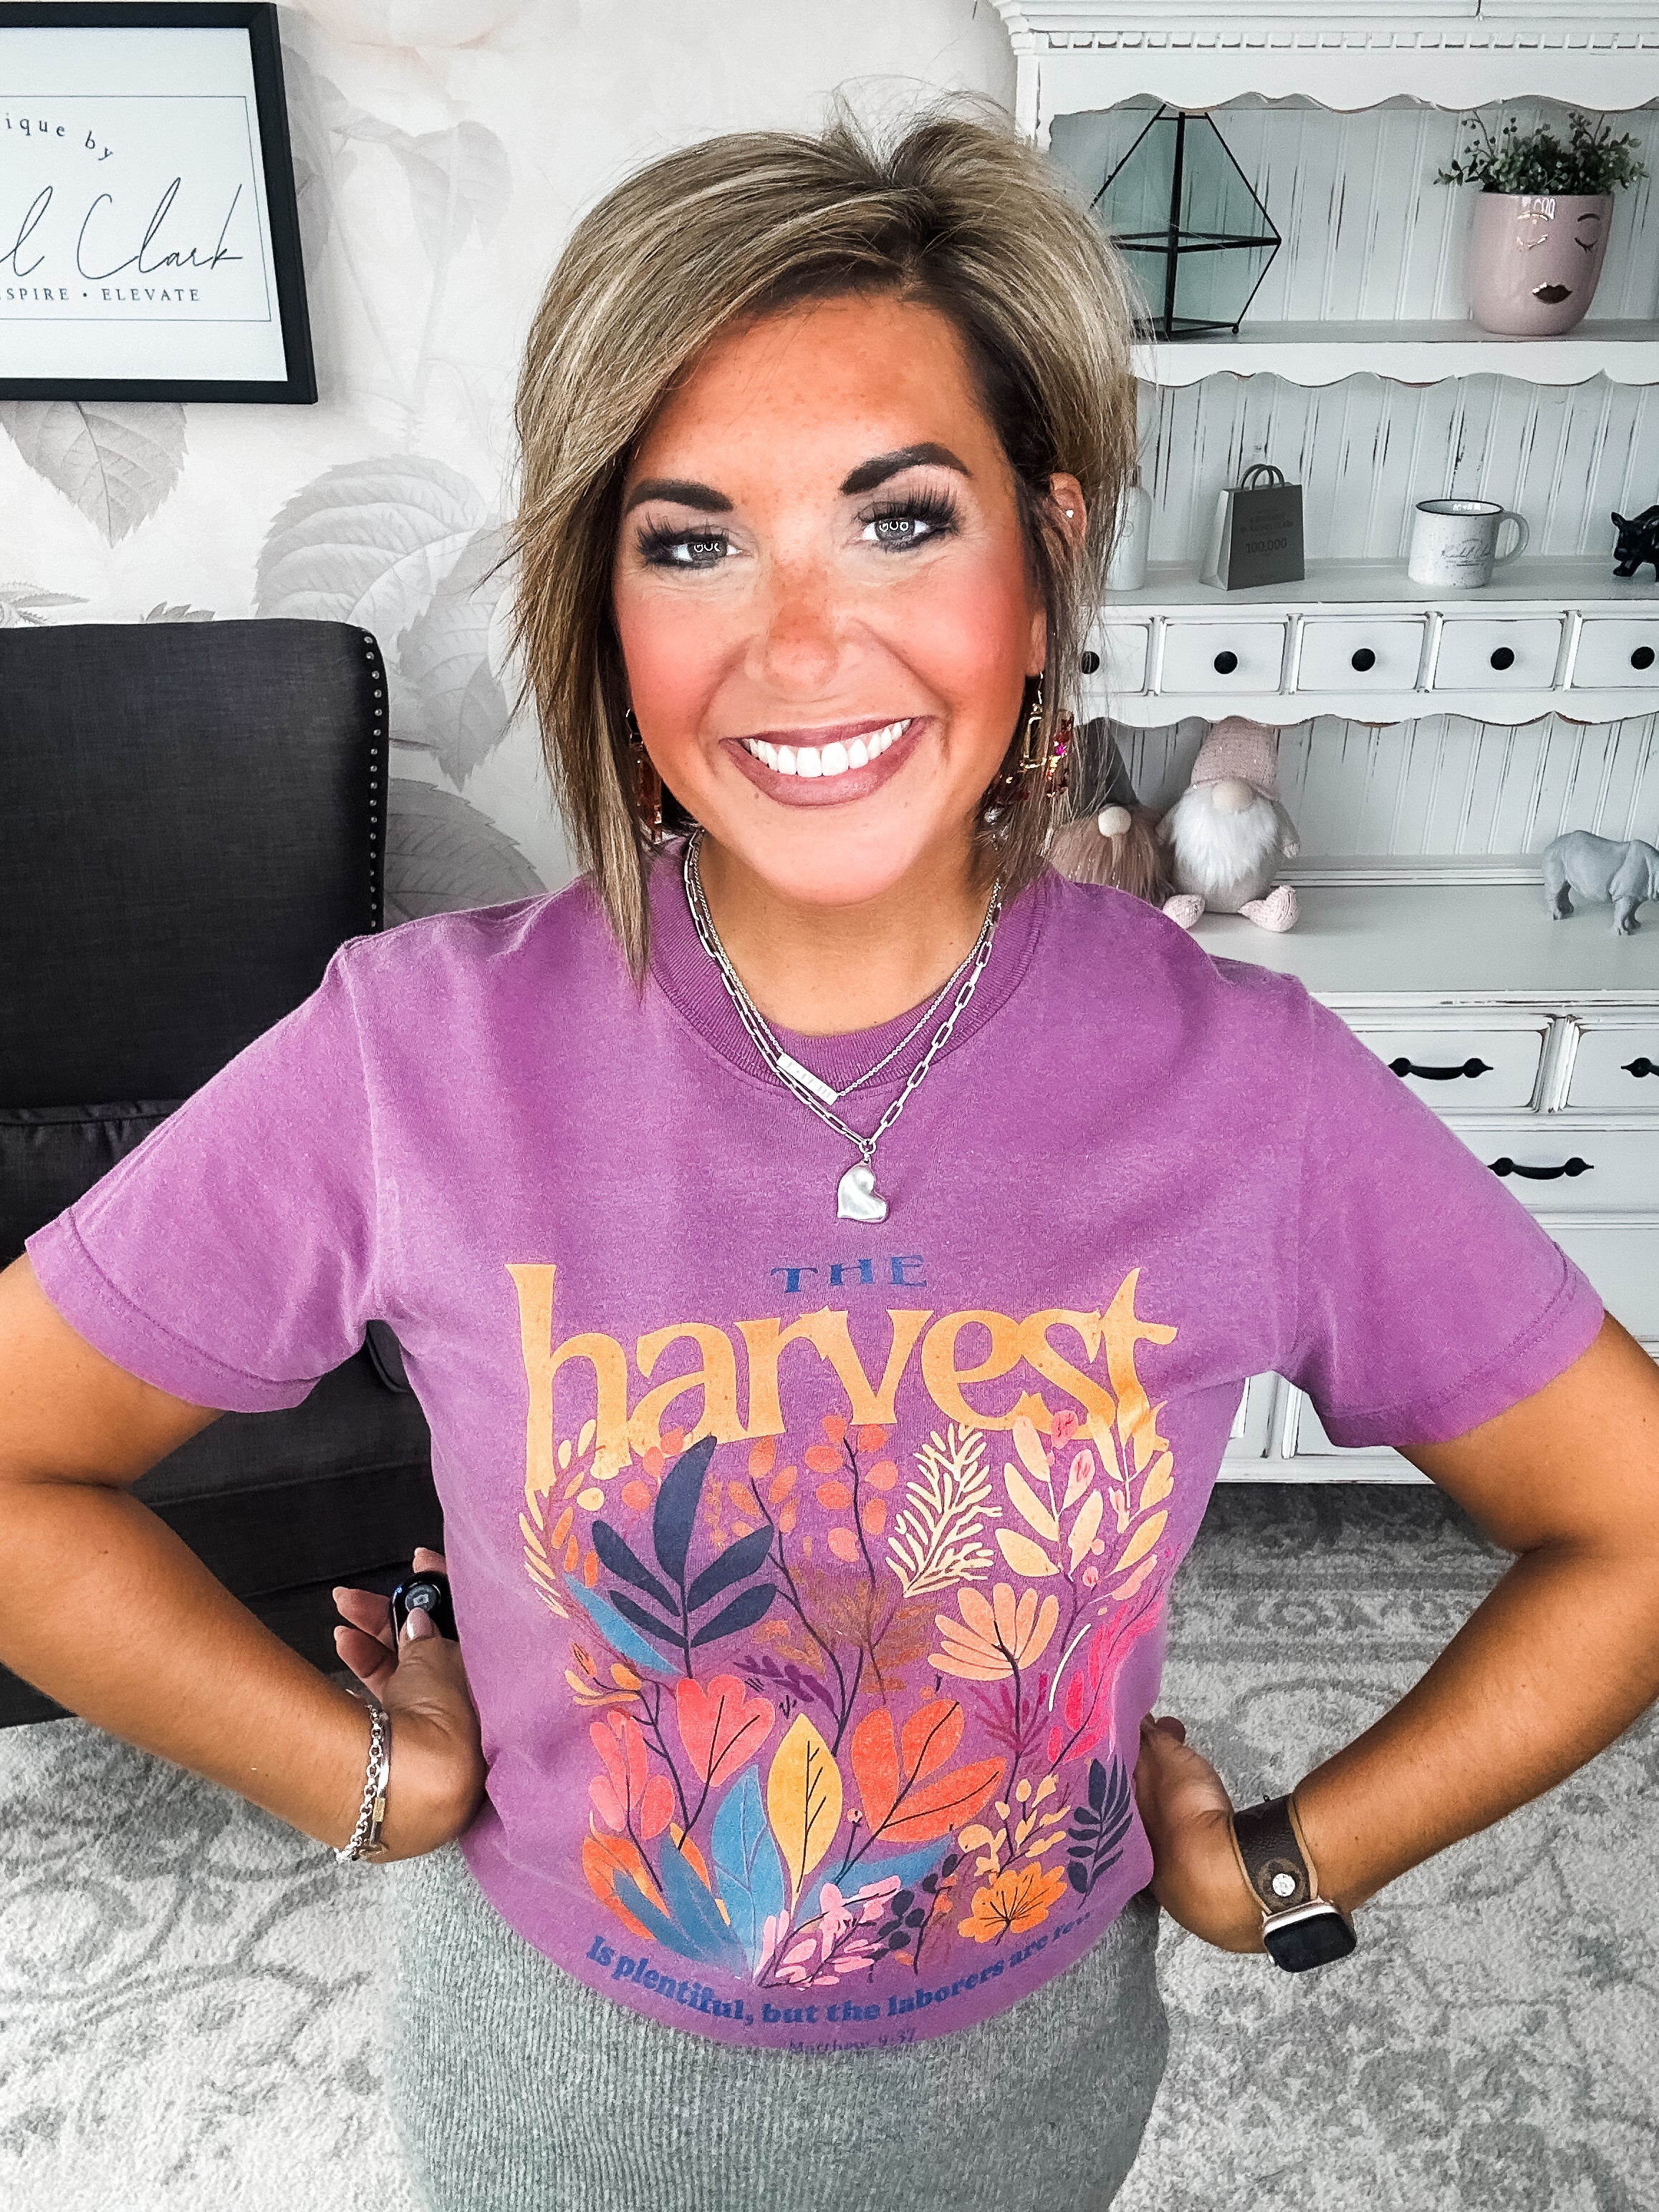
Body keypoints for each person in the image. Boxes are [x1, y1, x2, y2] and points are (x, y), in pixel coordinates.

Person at [3, 105, 1658, 2212]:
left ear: (1047, 554)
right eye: (689, 540)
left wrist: (1277, 1871)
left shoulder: (1246, 1090)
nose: (799, 641)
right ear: (604, 603)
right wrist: (374, 1784)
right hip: (554, 2094)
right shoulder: (415, 1055)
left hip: (1029, 2101)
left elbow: (1628, 1526)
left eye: (898, 522)